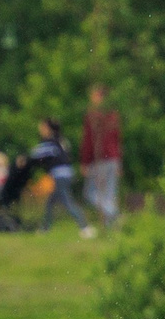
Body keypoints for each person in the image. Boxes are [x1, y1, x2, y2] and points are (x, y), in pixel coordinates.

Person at [25, 118, 94, 237]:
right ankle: (45, 228)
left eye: (42, 127)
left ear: (48, 128)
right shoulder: (62, 140)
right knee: (50, 202)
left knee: (67, 201)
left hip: (59, 175)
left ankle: (85, 227)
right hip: (67, 173)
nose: (40, 130)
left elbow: (34, 155)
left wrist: (23, 159)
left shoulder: (50, 142)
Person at [80, 85, 124, 226]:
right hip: (113, 159)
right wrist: (119, 161)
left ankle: (113, 214)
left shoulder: (93, 116)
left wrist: (85, 162)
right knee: (109, 194)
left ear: (99, 97)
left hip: (100, 160)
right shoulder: (113, 116)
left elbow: (88, 141)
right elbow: (118, 140)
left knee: (91, 193)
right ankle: (111, 228)